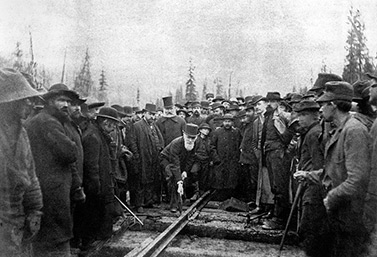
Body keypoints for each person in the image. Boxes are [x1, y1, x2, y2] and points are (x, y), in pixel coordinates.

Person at [306, 81, 370, 256]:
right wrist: (310, 175)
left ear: (333, 105)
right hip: (337, 214)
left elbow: (357, 179)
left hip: (349, 217)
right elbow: (335, 172)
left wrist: (331, 197)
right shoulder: (340, 130)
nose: (319, 109)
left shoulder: (354, 131)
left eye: (322, 104)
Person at [26, 83, 82, 256]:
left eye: (68, 101)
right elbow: (70, 153)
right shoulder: (47, 122)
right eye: (60, 100)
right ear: (48, 101)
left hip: (51, 193)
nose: (66, 105)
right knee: (52, 244)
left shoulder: (51, 121)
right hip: (50, 195)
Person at [0, 68, 43, 256]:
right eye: (25, 99)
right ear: (9, 102)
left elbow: (31, 174)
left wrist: (35, 209)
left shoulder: (22, 132)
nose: (31, 103)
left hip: (17, 217)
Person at [292, 100, 330, 257]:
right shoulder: (309, 132)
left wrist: (307, 175)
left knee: (309, 229)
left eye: (304, 115)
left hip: (313, 187)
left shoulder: (314, 134)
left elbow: (318, 165)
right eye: (299, 114)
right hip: (309, 182)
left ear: (315, 116)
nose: (300, 118)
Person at [80, 107, 121, 250]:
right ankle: (88, 247)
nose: (114, 128)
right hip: (95, 190)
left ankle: (94, 244)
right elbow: (91, 168)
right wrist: (96, 189)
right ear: (105, 122)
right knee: (92, 218)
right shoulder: (92, 137)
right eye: (113, 124)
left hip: (101, 186)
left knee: (98, 220)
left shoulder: (98, 134)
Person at [260, 92, 293, 230]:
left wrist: (285, 150)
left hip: (278, 153)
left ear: (278, 102)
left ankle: (279, 219)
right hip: (269, 152)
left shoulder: (281, 116)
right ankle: (275, 213)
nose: (269, 103)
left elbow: (287, 135)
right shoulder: (269, 115)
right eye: (268, 101)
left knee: (280, 186)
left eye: (273, 101)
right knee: (274, 186)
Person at [130, 103, 164, 212]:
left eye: (154, 114)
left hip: (153, 157)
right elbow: (132, 142)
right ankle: (139, 204)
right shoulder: (137, 126)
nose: (153, 117)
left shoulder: (154, 125)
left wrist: (159, 150)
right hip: (142, 157)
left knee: (151, 179)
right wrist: (137, 156)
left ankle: (148, 201)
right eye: (150, 114)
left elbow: (159, 139)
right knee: (140, 180)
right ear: (144, 113)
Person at [160, 124, 198, 213]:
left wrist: (185, 171)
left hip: (180, 162)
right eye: (188, 137)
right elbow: (174, 164)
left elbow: (191, 159)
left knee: (183, 177)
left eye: (193, 138)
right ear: (184, 134)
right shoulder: (176, 143)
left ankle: (181, 198)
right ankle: (173, 205)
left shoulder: (194, 144)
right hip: (166, 160)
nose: (190, 140)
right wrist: (179, 181)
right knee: (174, 177)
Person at [210, 114, 242, 200]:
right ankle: (220, 198)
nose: (227, 123)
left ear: (232, 122)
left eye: (229, 121)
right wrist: (216, 158)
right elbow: (212, 146)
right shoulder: (217, 132)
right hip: (220, 160)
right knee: (220, 179)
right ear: (223, 122)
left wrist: (237, 158)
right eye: (225, 121)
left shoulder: (236, 132)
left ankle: (230, 197)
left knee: (231, 179)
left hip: (232, 160)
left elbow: (239, 145)